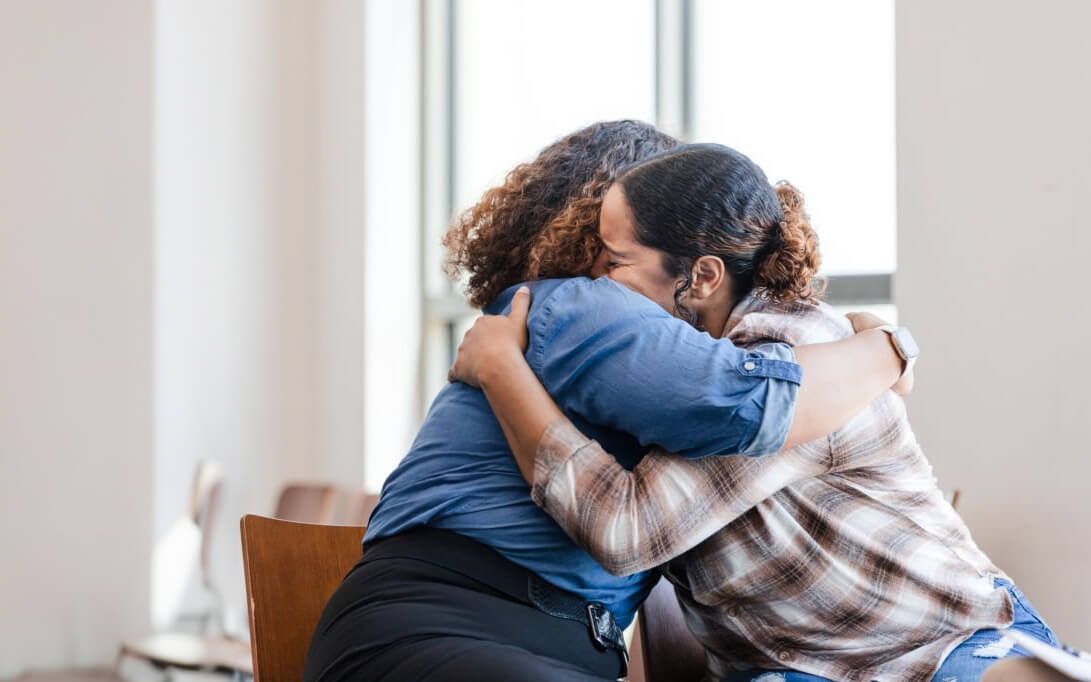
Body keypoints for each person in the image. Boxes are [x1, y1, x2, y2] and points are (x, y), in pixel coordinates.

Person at [303, 123, 912, 682]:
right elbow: (748, 401)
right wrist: (889, 350)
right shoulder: (584, 306)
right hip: (443, 625)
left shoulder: (583, 319)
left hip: (507, 636)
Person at [448, 143, 1062, 681]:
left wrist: (503, 371)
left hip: (936, 645)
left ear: (704, 276)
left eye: (614, 261)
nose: (595, 282)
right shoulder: (690, 371)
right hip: (803, 666)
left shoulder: (779, 372)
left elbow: (625, 529)